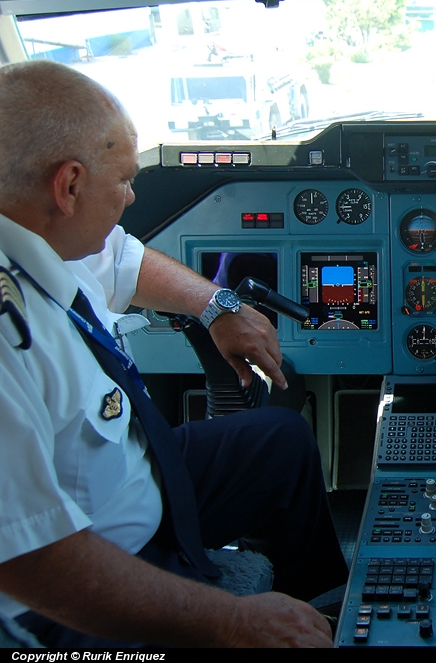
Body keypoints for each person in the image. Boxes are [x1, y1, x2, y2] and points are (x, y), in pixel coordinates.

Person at [0, 59, 346, 647]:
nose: (132, 198)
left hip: (134, 477)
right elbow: (30, 560)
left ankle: (325, 607)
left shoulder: (40, 227)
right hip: (72, 587)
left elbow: (125, 260)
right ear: (70, 186)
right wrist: (235, 621)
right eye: (124, 182)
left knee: (279, 443)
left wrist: (218, 306)